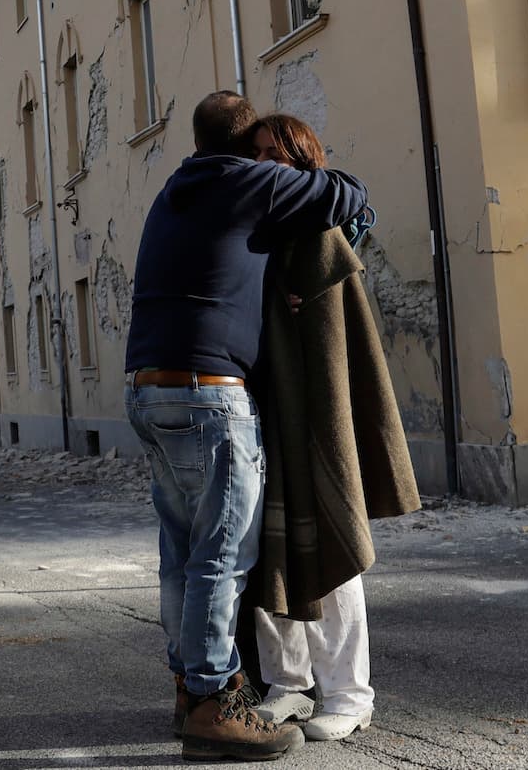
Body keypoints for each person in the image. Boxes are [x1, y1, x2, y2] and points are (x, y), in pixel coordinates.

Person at [124, 90, 367, 763]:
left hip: (149, 392)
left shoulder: (176, 189)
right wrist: (295, 174)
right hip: (209, 396)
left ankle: (186, 687)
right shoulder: (244, 182)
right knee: (221, 558)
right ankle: (210, 703)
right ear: (242, 149)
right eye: (259, 151)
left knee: (180, 555)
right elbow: (349, 193)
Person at [247, 114, 421, 742]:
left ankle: (350, 693)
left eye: (280, 153)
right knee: (267, 551)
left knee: (331, 542)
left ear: (303, 159)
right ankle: (287, 684)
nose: (268, 163)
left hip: (317, 417)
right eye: (259, 153)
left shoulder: (321, 227)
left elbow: (337, 345)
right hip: (264, 414)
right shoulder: (257, 232)